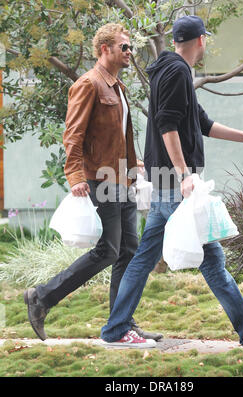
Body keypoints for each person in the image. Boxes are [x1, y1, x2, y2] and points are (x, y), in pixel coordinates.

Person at [99, 16, 243, 349]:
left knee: (144, 256)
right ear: (201, 40)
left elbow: (200, 122)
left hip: (164, 182)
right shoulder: (176, 72)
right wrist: (185, 174)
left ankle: (115, 329)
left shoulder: (168, 69)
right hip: (175, 183)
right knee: (211, 258)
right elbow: (167, 125)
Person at [23, 23, 163, 342]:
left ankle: (121, 323)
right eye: (124, 47)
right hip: (99, 180)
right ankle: (42, 297)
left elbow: (118, 136)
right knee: (109, 250)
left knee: (128, 249)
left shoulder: (118, 87)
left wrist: (133, 164)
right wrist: (74, 176)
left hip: (121, 178)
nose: (130, 52)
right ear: (105, 50)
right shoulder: (88, 84)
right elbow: (73, 135)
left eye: (130, 47)